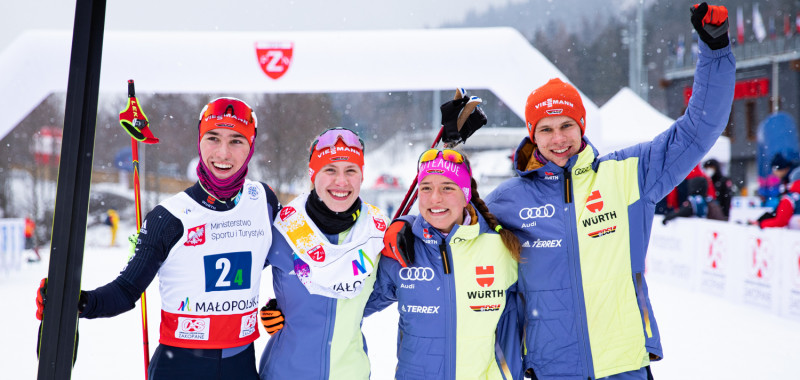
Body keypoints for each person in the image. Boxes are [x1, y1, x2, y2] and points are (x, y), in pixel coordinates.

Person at [483, 3, 734, 379]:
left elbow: (698, 131)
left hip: (624, 366)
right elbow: (452, 228)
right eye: (546, 129)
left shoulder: (627, 174)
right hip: (550, 371)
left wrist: (715, 52)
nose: (558, 139)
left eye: (567, 125)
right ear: (532, 135)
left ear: (582, 127)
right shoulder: (507, 201)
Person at [35, 97, 280, 379]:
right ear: (200, 141)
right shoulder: (170, 217)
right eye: (213, 138)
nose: (223, 153)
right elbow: (126, 291)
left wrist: (283, 307)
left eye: (236, 140)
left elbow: (291, 260)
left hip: (242, 366)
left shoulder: (263, 201)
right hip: (180, 366)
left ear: (251, 147)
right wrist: (77, 302)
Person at [367, 148, 523, 379]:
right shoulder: (401, 249)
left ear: (465, 194)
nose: (435, 198)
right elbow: (351, 306)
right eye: (426, 188)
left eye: (447, 188)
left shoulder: (501, 247)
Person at [258, 127, 388, 380]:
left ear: (361, 177)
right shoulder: (283, 228)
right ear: (313, 175)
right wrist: (275, 308)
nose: (341, 182)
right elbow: (235, 278)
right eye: (330, 170)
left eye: (351, 170)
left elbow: (387, 290)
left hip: (350, 373)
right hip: (286, 373)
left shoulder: (378, 232)